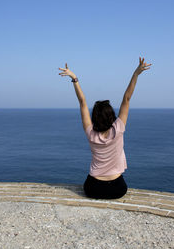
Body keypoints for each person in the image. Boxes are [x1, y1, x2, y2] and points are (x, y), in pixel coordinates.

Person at [59, 57, 152, 199]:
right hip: (117, 188)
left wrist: (75, 79)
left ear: (94, 117)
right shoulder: (118, 128)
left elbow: (82, 102)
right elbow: (127, 98)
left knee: (91, 186)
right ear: (112, 116)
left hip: (93, 188)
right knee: (120, 187)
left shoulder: (91, 133)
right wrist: (136, 74)